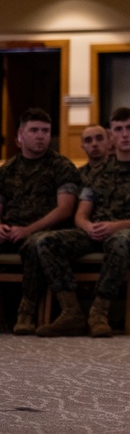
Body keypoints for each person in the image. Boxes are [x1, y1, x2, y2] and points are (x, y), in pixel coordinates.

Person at [32, 107, 130, 337]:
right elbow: (81, 215)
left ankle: (99, 312)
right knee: (46, 241)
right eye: (118, 129)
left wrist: (116, 226)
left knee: (121, 241)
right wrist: (88, 226)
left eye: (129, 128)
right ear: (111, 135)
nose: (124, 134)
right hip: (98, 233)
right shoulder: (98, 172)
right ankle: (71, 311)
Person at [0, 109, 81, 335]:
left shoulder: (61, 166)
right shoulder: (8, 169)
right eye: (34, 130)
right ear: (20, 134)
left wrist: (27, 229)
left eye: (45, 131)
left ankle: (26, 313)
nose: (40, 136)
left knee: (36, 243)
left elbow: (65, 209)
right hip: (10, 230)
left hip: (45, 231)